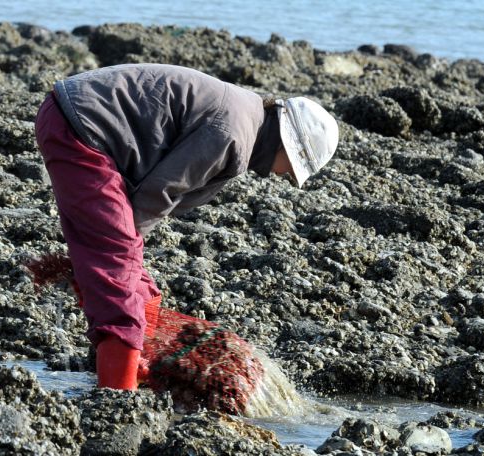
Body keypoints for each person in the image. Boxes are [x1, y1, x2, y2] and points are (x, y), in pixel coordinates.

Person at [34, 63, 338, 391]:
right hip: (82, 129)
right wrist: (119, 250)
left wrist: (116, 247)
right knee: (120, 282)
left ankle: (134, 364)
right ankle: (117, 398)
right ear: (285, 143)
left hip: (79, 121)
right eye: (290, 170)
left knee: (135, 281)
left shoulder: (244, 121)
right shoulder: (233, 134)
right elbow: (160, 190)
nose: (283, 176)